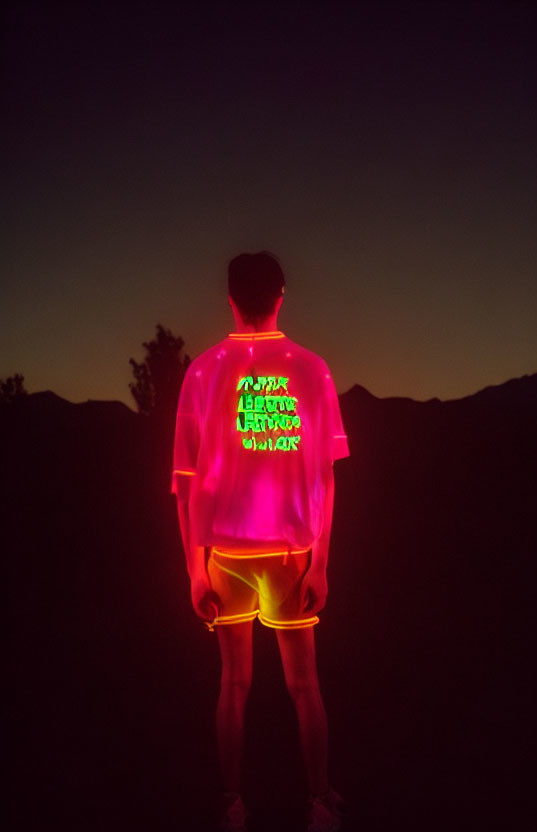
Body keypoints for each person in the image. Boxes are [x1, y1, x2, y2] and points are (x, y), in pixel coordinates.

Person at [171, 252, 349, 832]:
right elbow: (325, 474)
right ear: (280, 295)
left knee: (233, 683)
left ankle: (231, 803)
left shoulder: (201, 372)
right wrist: (320, 562)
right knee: (305, 685)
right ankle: (319, 800)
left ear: (229, 299)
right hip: (291, 554)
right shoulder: (313, 369)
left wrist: (194, 570)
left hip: (225, 553)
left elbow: (186, 484)